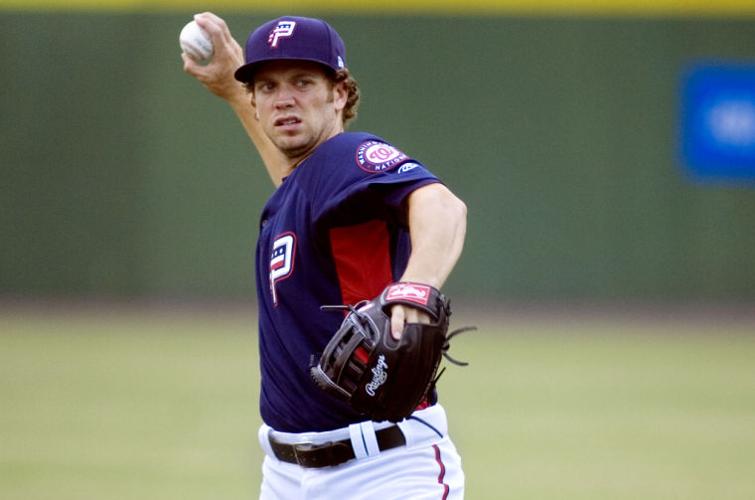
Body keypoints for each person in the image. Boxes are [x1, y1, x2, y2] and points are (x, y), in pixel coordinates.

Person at [183, 13, 468, 499]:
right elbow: (295, 183)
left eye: (302, 81)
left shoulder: (347, 157)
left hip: (384, 473)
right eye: (267, 87)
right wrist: (233, 91)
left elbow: (441, 204)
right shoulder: (305, 188)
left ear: (339, 92)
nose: (284, 98)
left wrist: (415, 287)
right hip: (286, 477)